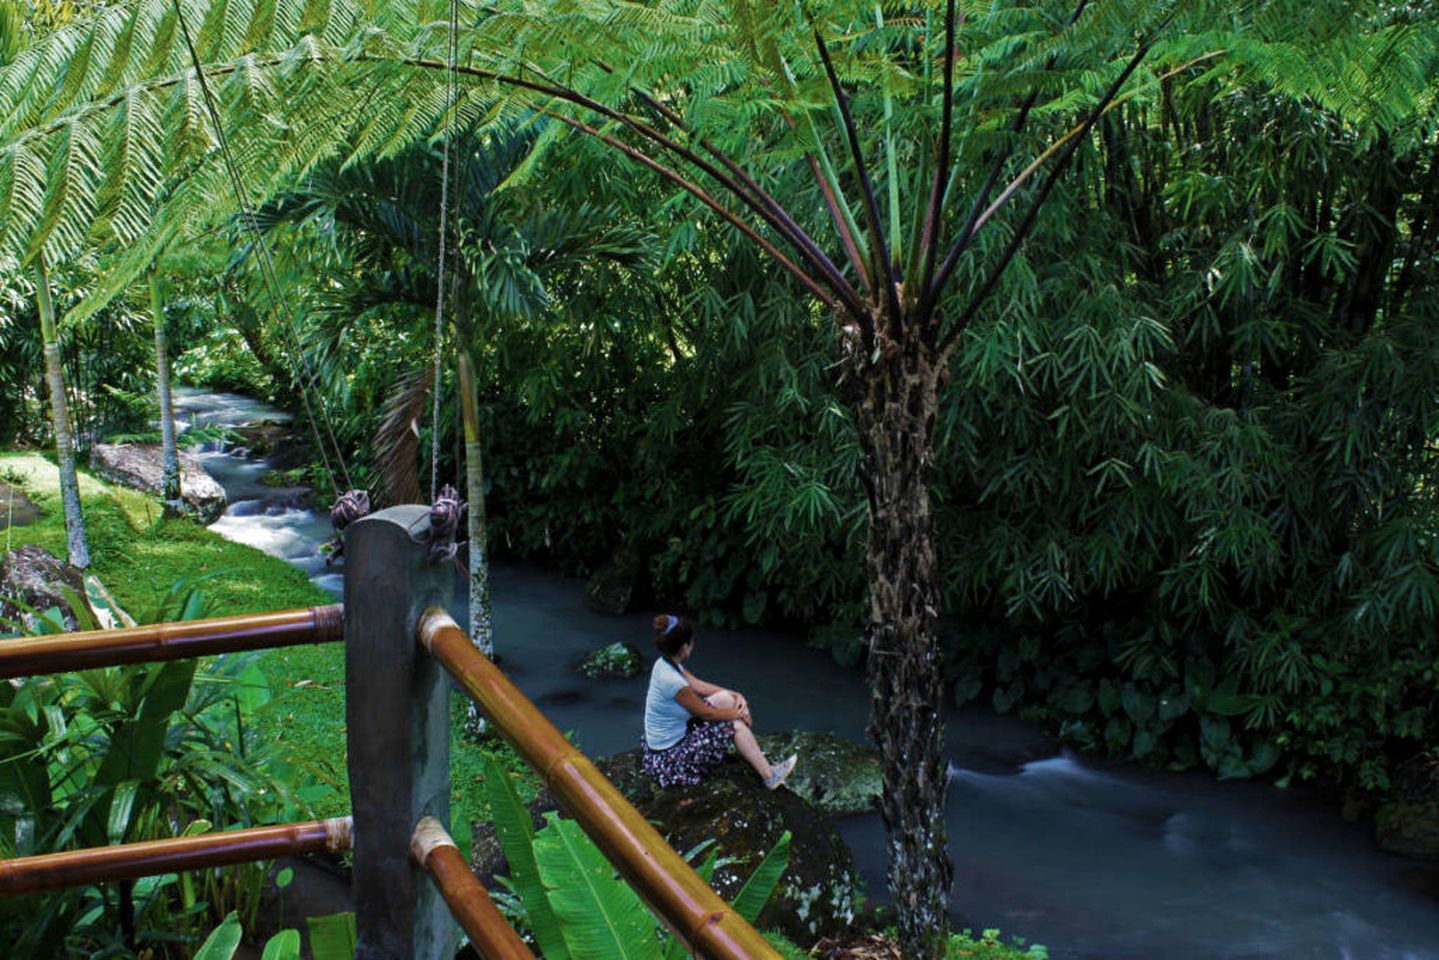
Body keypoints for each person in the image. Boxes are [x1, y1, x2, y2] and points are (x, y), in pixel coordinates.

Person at [642, 613, 797, 790]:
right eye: (692, 642)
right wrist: (739, 714)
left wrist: (736, 696)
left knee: (725, 699)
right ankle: (769, 776)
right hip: (670, 757)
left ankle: (756, 756)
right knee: (735, 726)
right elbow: (706, 713)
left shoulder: (664, 664)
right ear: (685, 646)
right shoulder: (673, 682)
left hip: (672, 738)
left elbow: (698, 685)